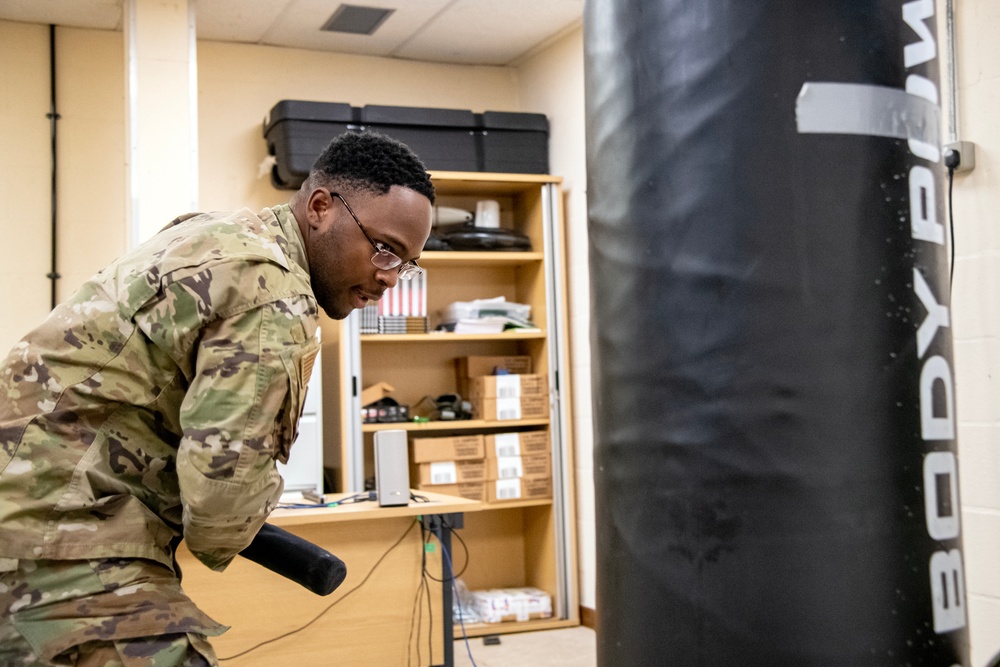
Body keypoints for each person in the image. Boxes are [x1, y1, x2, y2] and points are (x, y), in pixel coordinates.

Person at [0, 131, 435, 666]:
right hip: (58, 538)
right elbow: (218, 515)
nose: (390, 278)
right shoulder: (272, 292)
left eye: (406, 264)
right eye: (385, 249)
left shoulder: (217, 234)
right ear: (321, 207)